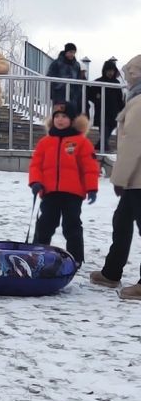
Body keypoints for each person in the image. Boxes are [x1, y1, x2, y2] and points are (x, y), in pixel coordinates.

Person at [91, 54, 141, 300]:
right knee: (121, 222)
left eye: (129, 75)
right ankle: (111, 272)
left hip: (137, 179)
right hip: (135, 179)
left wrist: (119, 179)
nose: (126, 81)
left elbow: (133, 143)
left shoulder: (139, 102)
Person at [28, 101, 99, 266]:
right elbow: (36, 165)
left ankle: (76, 258)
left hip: (72, 193)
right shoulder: (45, 142)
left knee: (72, 225)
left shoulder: (82, 143)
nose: (60, 120)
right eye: (57, 116)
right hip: (50, 191)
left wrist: (91, 188)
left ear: (73, 120)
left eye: (65, 117)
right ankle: (36, 253)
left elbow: (89, 168)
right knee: (45, 224)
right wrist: (36, 182)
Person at [88, 60, 125, 153]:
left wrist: (123, 109)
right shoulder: (98, 82)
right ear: (104, 70)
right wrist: (96, 97)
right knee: (104, 129)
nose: (110, 73)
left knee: (111, 127)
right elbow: (89, 94)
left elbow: (119, 98)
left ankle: (99, 146)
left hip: (113, 112)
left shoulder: (116, 83)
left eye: (112, 71)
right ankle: (104, 148)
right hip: (102, 111)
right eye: (108, 70)